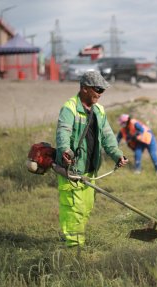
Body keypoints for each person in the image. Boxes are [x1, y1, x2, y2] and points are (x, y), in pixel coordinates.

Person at [55, 71, 129, 247]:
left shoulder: (99, 110)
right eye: (98, 89)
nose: (100, 93)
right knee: (75, 210)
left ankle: (75, 242)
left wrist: (117, 155)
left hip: (90, 170)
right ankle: (74, 250)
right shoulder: (70, 108)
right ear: (85, 88)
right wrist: (65, 150)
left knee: (86, 209)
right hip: (71, 170)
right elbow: (63, 133)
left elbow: (108, 136)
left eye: (103, 90)